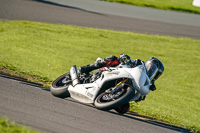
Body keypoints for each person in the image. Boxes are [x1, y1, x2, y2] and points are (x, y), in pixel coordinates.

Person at [79, 54, 164, 102]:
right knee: (112, 59)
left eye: (155, 72)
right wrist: (125, 58)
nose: (152, 71)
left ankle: (112, 96)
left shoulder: (148, 83)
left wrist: (141, 97)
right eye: (152, 68)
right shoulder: (139, 63)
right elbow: (125, 57)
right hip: (116, 70)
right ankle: (86, 68)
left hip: (126, 84)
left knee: (125, 108)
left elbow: (140, 96)